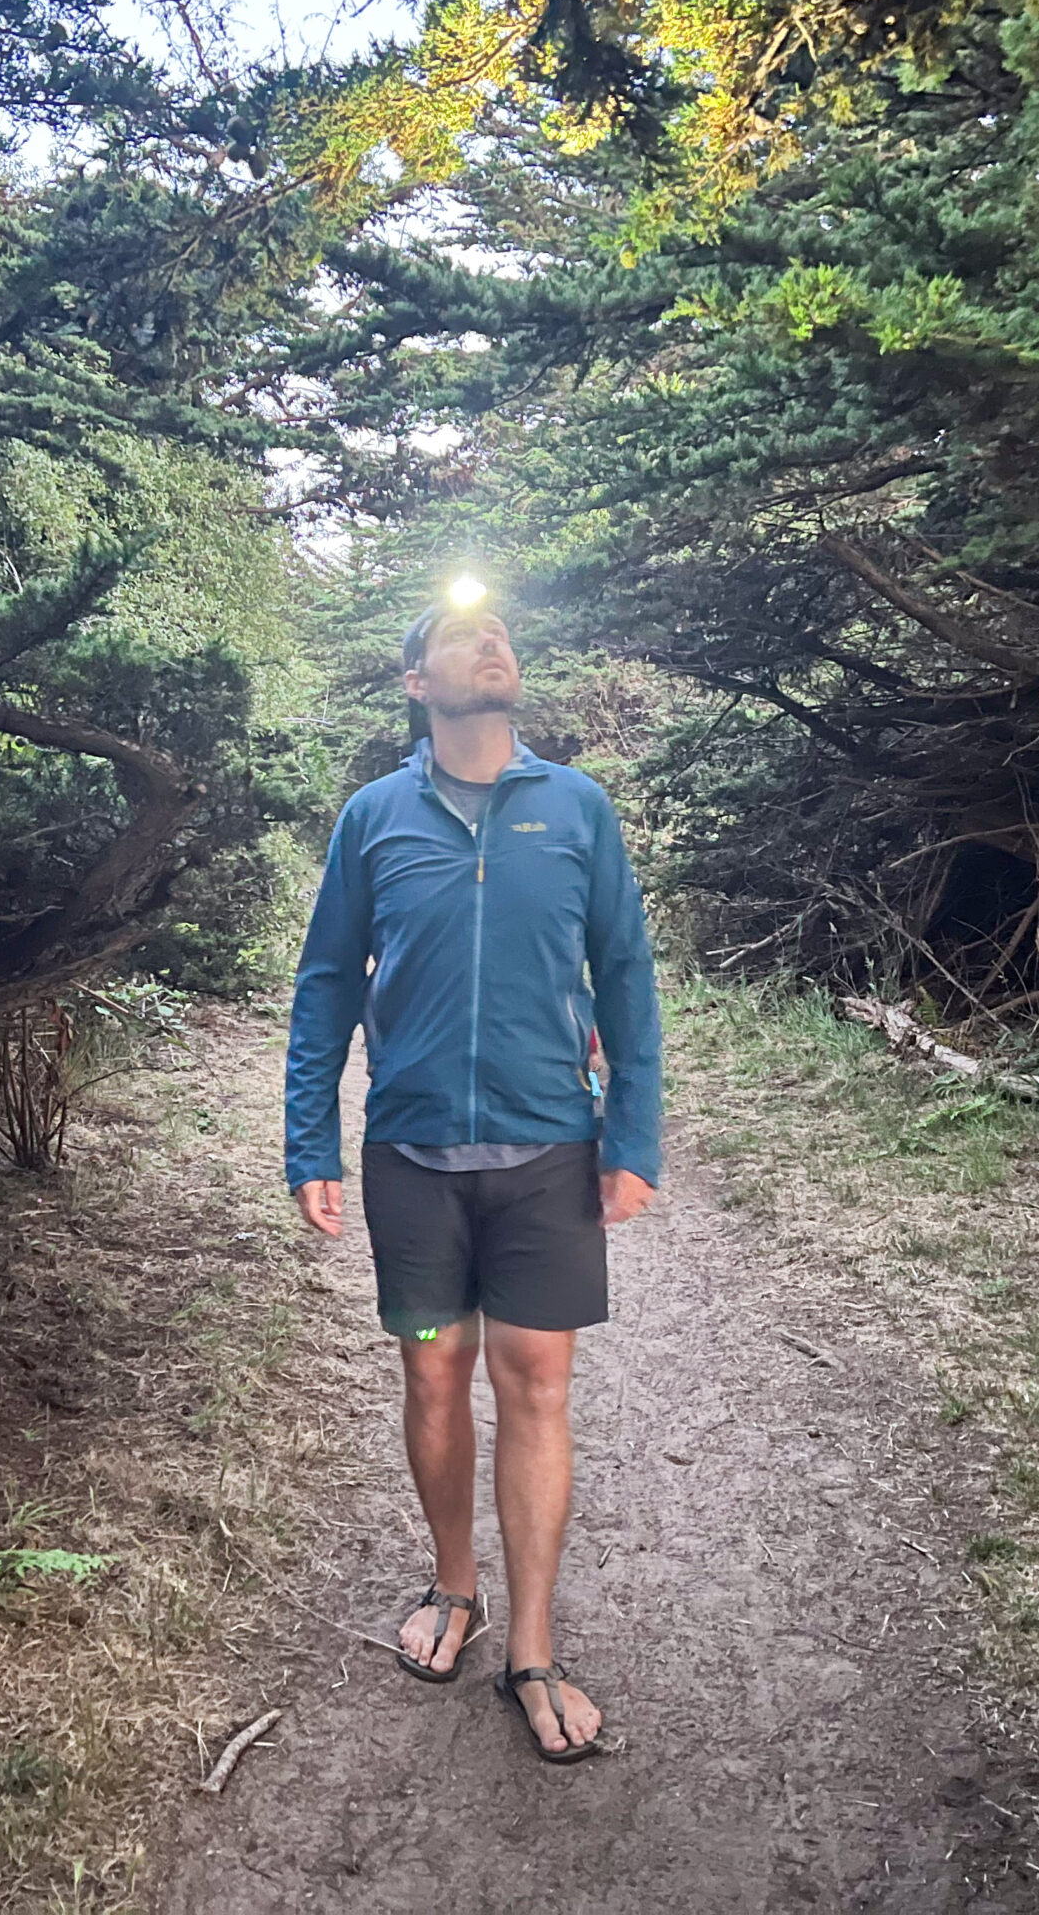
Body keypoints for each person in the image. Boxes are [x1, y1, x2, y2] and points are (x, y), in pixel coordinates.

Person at [283, 584, 664, 1764]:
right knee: (436, 1381)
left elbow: (627, 976)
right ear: (417, 684)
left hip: (551, 1146)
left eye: (497, 634)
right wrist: (309, 1140)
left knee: (536, 1388)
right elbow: (327, 984)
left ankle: (533, 1648)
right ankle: (457, 1585)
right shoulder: (374, 818)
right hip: (410, 1153)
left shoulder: (578, 810)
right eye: (460, 639)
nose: (490, 644)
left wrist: (634, 1138)